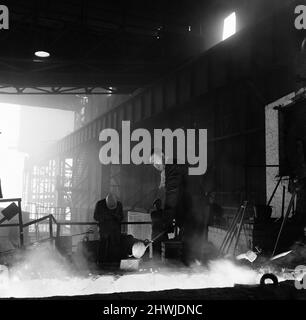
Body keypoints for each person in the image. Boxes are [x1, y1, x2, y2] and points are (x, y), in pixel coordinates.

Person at [149, 149, 205, 265]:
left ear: (161, 158)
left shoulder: (172, 167)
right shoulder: (170, 169)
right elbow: (168, 192)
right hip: (189, 211)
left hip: (192, 211)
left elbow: (172, 193)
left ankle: (192, 268)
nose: (155, 165)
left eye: (155, 162)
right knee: (188, 243)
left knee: (190, 244)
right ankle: (191, 266)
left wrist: (167, 219)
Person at [93, 193, 123, 264]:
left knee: (115, 247)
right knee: (103, 245)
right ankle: (101, 263)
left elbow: (121, 217)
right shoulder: (100, 204)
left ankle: (114, 263)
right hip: (104, 230)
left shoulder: (119, 205)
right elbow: (95, 217)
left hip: (115, 231)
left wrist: (116, 217)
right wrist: (105, 217)